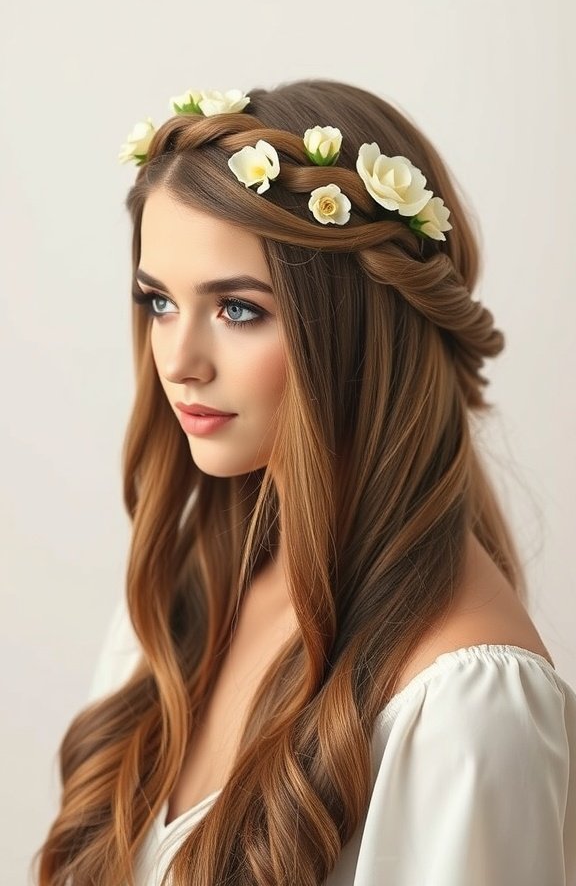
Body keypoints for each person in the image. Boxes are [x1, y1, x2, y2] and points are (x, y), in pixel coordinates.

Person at [34, 79, 576, 886]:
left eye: (239, 310)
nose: (178, 362)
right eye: (158, 302)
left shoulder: (468, 708)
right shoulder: (182, 603)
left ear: (360, 325)